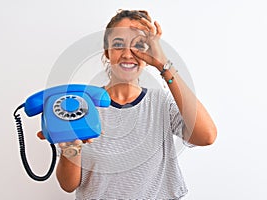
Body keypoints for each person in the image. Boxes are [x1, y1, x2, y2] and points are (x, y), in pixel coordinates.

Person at [43, 9, 217, 199]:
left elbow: (206, 136)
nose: (128, 54)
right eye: (118, 45)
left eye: (139, 46)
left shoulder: (161, 104)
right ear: (107, 52)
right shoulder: (83, 107)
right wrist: (71, 147)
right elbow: (68, 185)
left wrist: (163, 64)